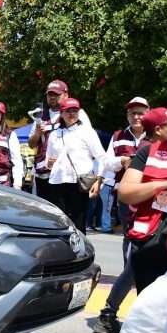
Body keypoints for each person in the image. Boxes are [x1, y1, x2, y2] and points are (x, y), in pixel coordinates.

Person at [93, 99, 167, 333]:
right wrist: (162, 184)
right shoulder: (148, 152)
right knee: (150, 308)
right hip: (150, 239)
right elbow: (125, 192)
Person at [43, 97, 104, 232]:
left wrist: (99, 180)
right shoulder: (54, 134)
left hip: (78, 183)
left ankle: (79, 246)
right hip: (57, 182)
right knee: (59, 223)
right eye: (68, 111)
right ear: (61, 113)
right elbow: (48, 161)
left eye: (75, 111)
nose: (71, 114)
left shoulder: (87, 132)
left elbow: (101, 157)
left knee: (78, 224)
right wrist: (49, 163)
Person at [29, 79, 89, 202]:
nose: (52, 97)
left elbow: (87, 141)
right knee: (45, 211)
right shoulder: (41, 115)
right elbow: (31, 144)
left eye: (56, 94)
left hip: (68, 175)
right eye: (50, 94)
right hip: (43, 175)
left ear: (66, 95)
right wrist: (38, 133)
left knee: (69, 211)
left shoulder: (78, 113)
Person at [96, 97, 149, 233]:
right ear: (127, 115)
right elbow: (107, 162)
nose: (136, 117)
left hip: (148, 194)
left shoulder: (156, 135)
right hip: (125, 194)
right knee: (128, 232)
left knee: (147, 233)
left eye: (140, 113)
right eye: (133, 113)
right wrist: (122, 161)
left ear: (148, 114)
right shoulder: (117, 136)